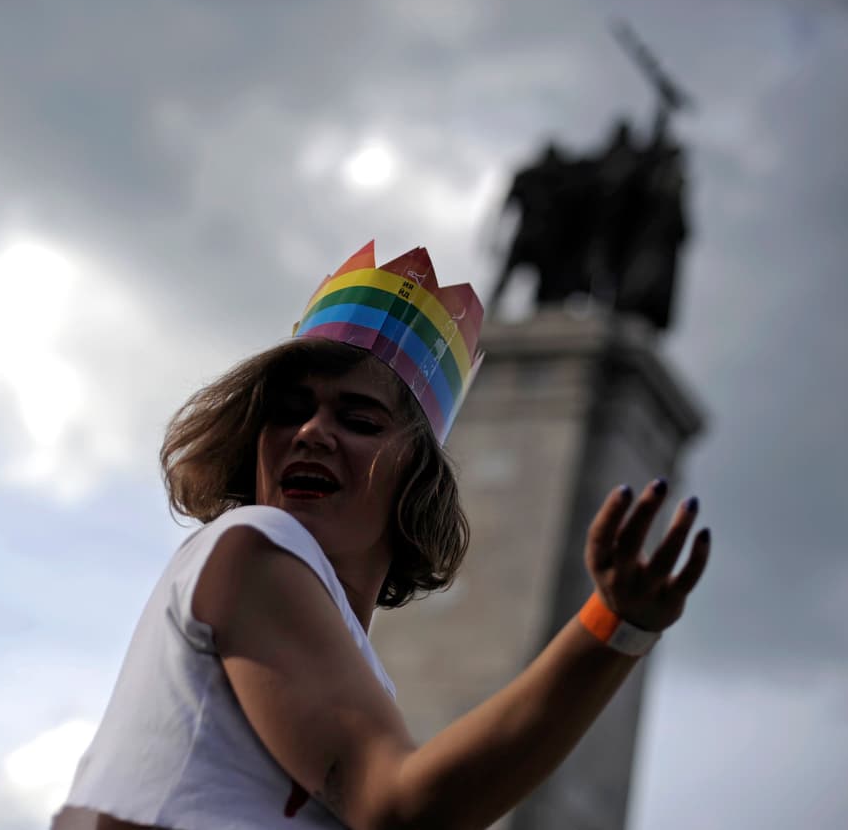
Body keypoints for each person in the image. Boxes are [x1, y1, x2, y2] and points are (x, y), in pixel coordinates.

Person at [52, 241, 710, 830]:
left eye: (360, 418)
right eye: (289, 411)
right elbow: (399, 811)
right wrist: (611, 626)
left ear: (416, 478)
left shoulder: (353, 673)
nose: (311, 431)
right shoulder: (254, 540)